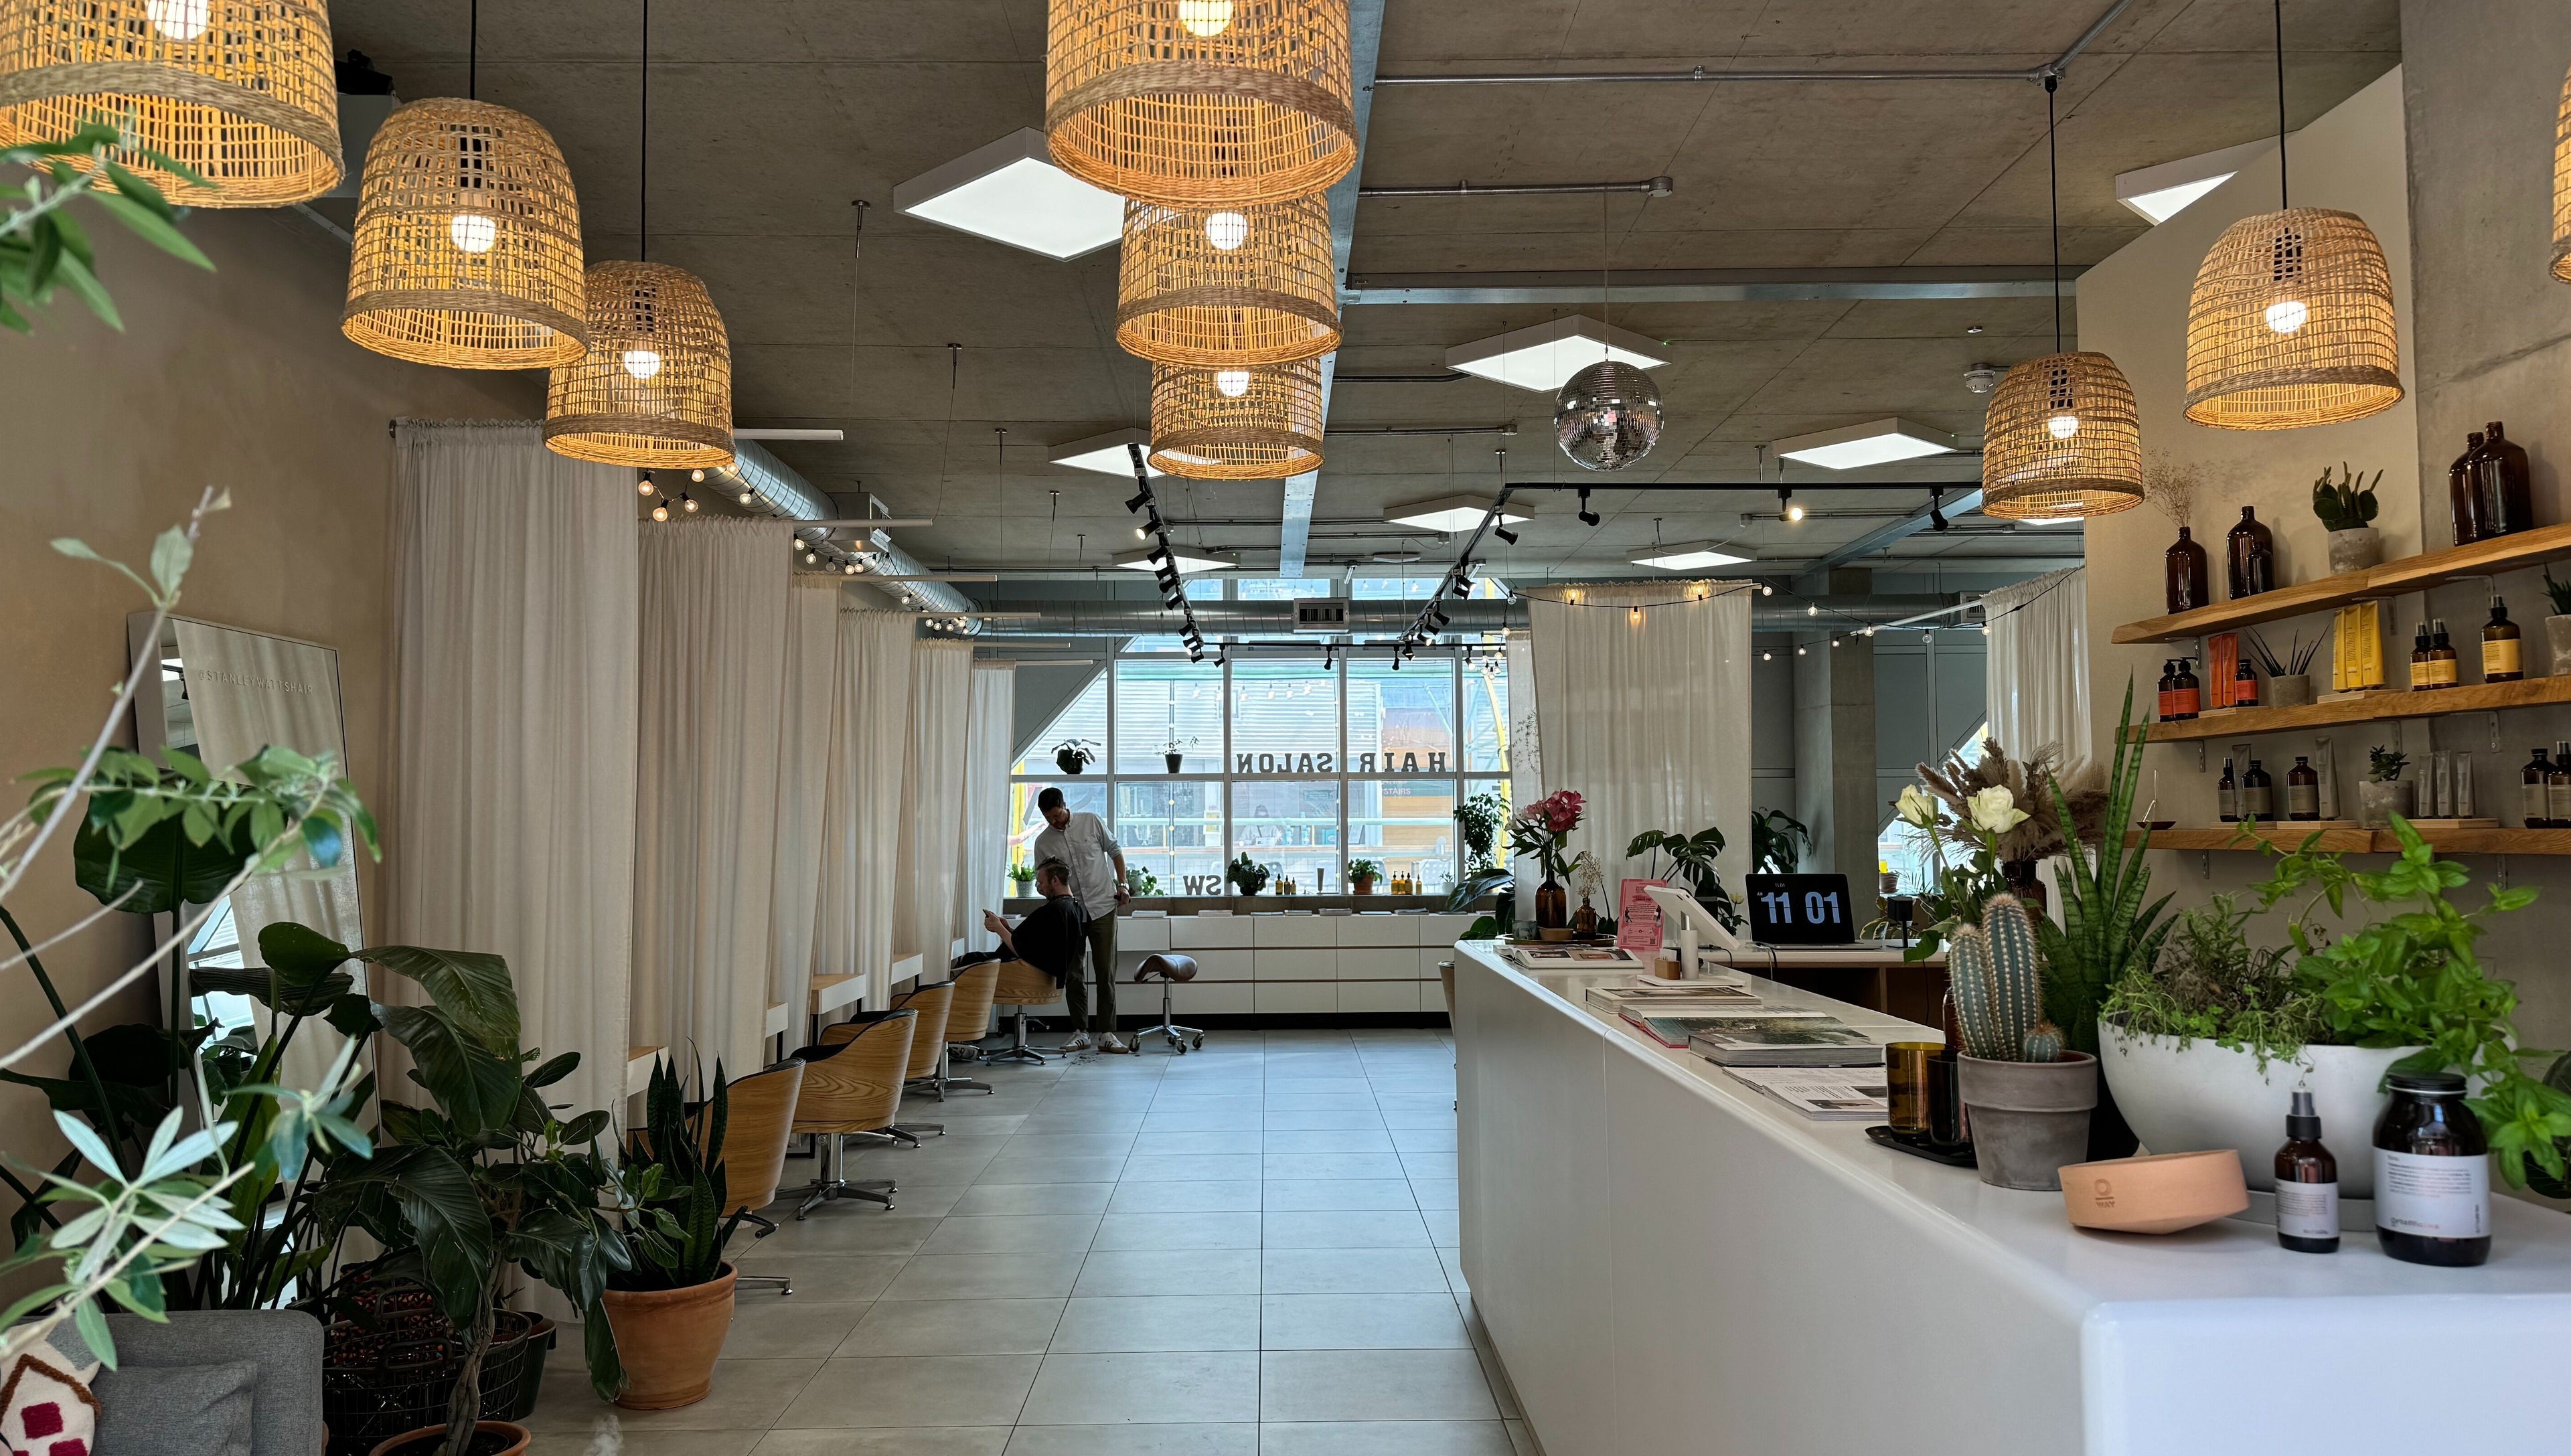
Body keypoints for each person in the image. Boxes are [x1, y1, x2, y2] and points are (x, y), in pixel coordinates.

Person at [1030, 787, 1131, 1052]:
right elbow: (1043, 882)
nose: (1054, 821)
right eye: (1048, 818)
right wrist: (1047, 894)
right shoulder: (1043, 843)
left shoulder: (1092, 822)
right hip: (1070, 914)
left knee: (1105, 971)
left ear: (1065, 805)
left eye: (1057, 815)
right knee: (1073, 973)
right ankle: (1080, 1031)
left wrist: (1123, 884)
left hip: (1103, 907)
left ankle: (1107, 1033)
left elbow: (1115, 851)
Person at [983, 860, 1089, 1013]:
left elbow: (1025, 952)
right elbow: (1036, 945)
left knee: (965, 965)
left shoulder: (1053, 910)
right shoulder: (1073, 908)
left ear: (1055, 880)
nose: (1040, 888)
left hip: (1022, 973)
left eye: (1041, 882)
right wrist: (1008, 929)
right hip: (1042, 976)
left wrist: (999, 929)